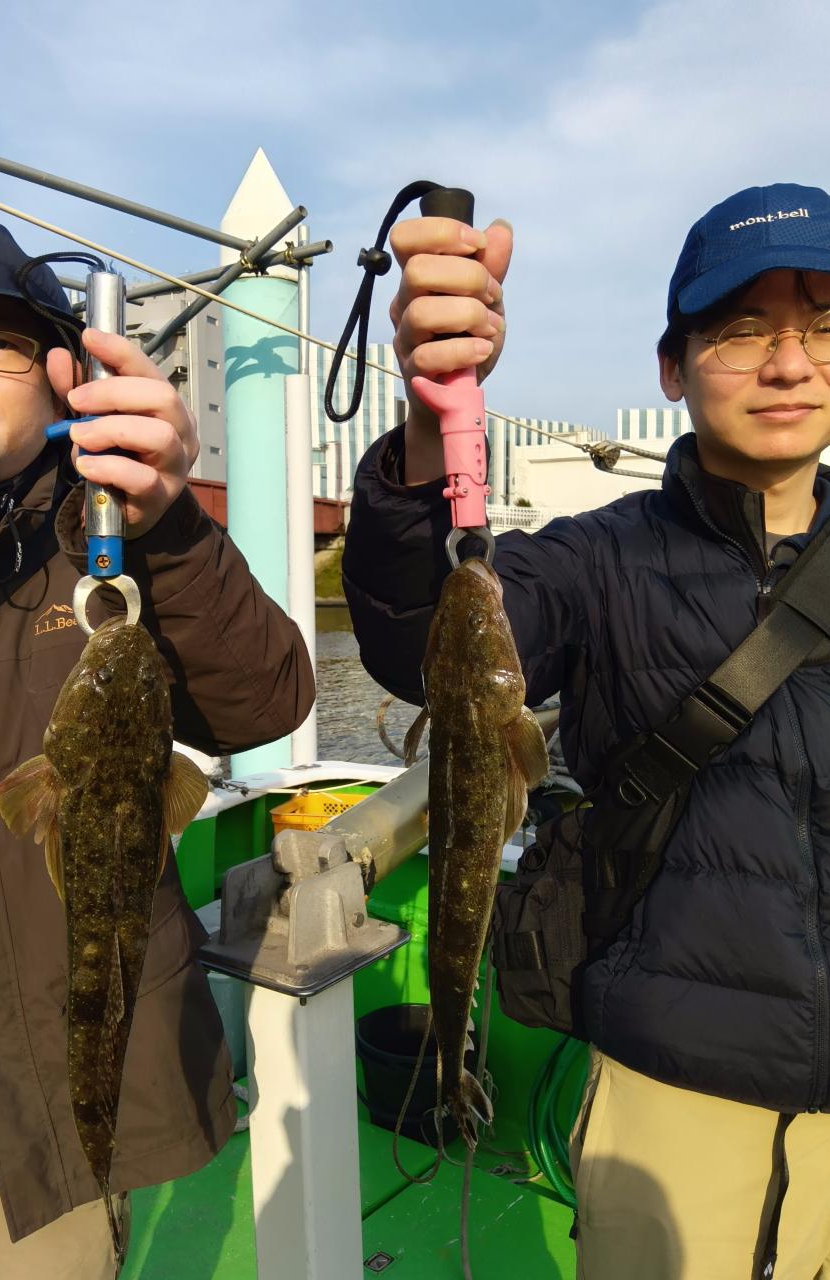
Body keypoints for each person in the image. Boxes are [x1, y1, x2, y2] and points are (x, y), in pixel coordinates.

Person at [342, 183, 830, 1279]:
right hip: (673, 1093)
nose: (788, 365)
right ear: (672, 367)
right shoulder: (594, 559)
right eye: (740, 329)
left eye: (822, 328)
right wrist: (428, 428)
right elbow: (420, 630)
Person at [0, 210, 315, 1280]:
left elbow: (264, 699)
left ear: (64, 378)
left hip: (11, 1137)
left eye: (3, 340)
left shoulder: (107, 542)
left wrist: (171, 527)